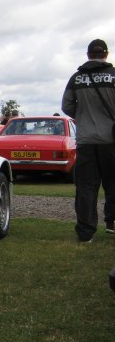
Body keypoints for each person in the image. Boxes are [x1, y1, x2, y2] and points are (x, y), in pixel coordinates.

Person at [61, 38, 115, 241]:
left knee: (86, 187)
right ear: (106, 54)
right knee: (113, 184)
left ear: (88, 55)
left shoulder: (76, 78)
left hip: (85, 140)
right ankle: (111, 222)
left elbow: (66, 106)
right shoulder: (113, 76)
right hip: (111, 140)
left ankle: (85, 233)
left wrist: (83, 115)